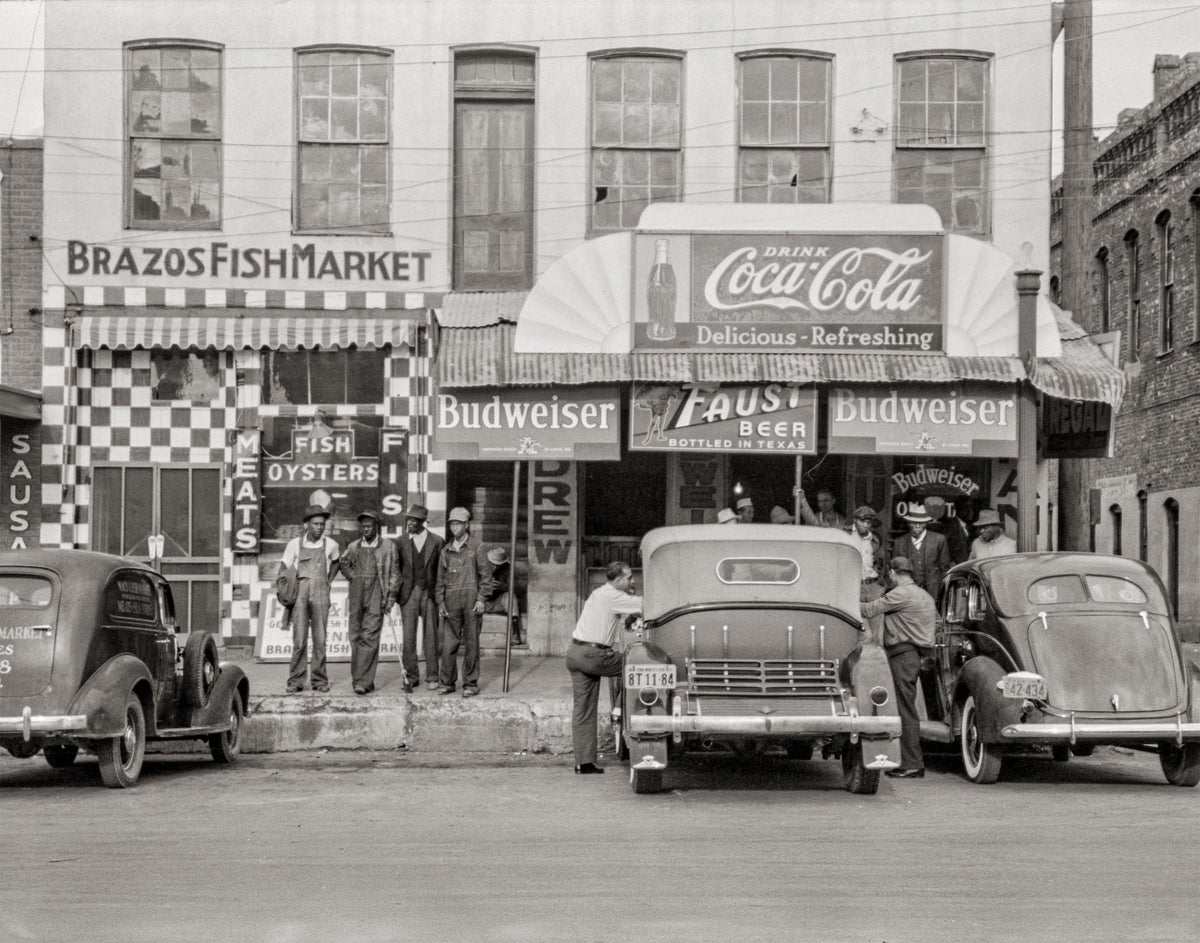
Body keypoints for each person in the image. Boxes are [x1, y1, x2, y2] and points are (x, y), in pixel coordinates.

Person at [860, 556, 937, 779]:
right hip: (913, 655)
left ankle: (912, 763)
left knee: (904, 709)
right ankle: (906, 761)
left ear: (893, 573)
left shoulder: (901, 593)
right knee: (906, 707)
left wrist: (842, 599)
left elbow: (870, 609)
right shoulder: (924, 595)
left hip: (902, 655)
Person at [567, 561, 643, 774]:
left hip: (575, 653)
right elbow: (646, 605)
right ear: (618, 580)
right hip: (594, 655)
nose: (632, 580)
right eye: (629, 577)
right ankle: (619, 708)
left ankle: (584, 763)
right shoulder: (613, 596)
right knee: (640, 666)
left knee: (583, 710)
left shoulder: (599, 593)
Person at [281, 504, 341, 694]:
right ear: (307, 524)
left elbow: (337, 561)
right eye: (315, 524)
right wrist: (285, 589)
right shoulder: (294, 544)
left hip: (321, 593)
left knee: (320, 639)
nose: (319, 527)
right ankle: (296, 681)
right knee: (299, 640)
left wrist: (329, 581)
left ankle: (319, 680)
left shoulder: (330, 544)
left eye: (322, 524)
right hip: (300, 592)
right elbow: (283, 568)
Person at [339, 510, 400, 695]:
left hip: (377, 593)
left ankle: (364, 682)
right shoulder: (354, 546)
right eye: (363, 526)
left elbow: (395, 575)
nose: (366, 529)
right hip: (357, 594)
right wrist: (353, 577)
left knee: (370, 637)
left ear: (377, 527)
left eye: (369, 526)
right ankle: (359, 679)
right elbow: (343, 563)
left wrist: (390, 599)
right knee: (355, 636)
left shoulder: (388, 546)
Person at [435, 506, 490, 697]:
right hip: (451, 602)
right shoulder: (445, 551)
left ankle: (470, 684)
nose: (454, 527)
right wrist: (440, 602)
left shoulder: (477, 547)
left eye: (458, 524)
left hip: (471, 602)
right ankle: (447, 682)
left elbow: (486, 577)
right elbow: (440, 580)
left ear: (466, 525)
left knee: (472, 644)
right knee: (449, 644)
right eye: (452, 524)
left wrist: (482, 599)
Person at [397, 503, 445, 692]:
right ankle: (411, 676)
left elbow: (442, 571)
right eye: (408, 519)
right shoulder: (400, 542)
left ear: (423, 522)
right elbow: (395, 569)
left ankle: (433, 676)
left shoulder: (437, 541)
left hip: (430, 593)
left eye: (414, 520)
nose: (409, 522)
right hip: (408, 593)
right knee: (408, 637)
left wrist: (441, 595)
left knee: (431, 636)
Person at [891, 503, 950, 600]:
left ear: (926, 523)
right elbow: (895, 571)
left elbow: (945, 568)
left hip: (933, 591)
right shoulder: (899, 542)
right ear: (908, 522)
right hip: (908, 592)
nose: (917, 525)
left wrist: (943, 590)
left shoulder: (939, 540)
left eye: (921, 522)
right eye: (913, 522)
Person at [849, 505, 888, 643]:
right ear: (854, 520)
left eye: (868, 522)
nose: (865, 525)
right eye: (862, 520)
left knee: (877, 633)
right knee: (863, 633)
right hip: (854, 588)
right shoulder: (846, 536)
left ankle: (878, 662)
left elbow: (882, 563)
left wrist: (882, 584)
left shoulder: (876, 539)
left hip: (874, 587)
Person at [481, 546, 521, 645]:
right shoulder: (480, 566)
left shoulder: (508, 568)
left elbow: (515, 587)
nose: (494, 566)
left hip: (498, 603)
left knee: (510, 596)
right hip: (482, 602)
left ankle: (515, 632)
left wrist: (502, 586)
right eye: (491, 563)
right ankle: (463, 634)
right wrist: (486, 586)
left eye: (496, 565)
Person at [924, 495, 970, 565]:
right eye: (966, 508)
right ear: (957, 508)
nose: (969, 511)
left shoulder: (971, 526)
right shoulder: (948, 527)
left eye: (971, 507)